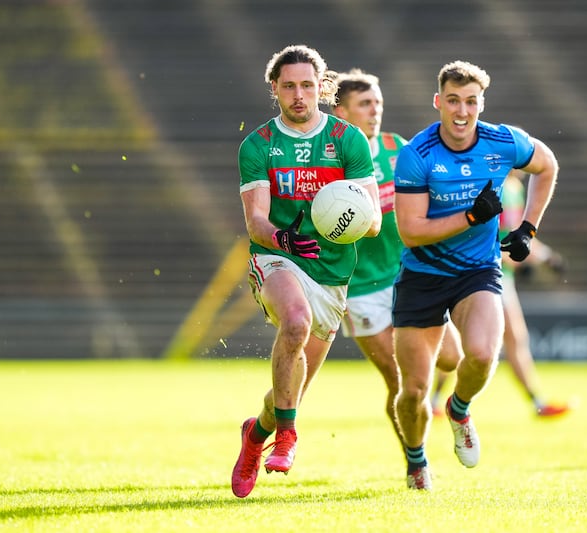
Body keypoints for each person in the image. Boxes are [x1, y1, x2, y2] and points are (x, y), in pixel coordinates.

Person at [392, 60, 559, 490]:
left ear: (481, 104)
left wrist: (529, 228)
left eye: (471, 101)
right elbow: (411, 233)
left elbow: (548, 165)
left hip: (477, 271)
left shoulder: (503, 140)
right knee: (412, 392)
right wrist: (470, 216)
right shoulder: (417, 155)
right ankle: (416, 462)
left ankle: (460, 409)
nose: (462, 111)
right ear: (438, 103)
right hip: (423, 274)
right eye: (453, 101)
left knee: (484, 354)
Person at [231, 44, 382, 499]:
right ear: (274, 88)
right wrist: (284, 240)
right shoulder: (257, 145)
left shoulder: (347, 140)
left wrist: (351, 217)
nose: (299, 95)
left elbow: (373, 220)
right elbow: (256, 222)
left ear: (323, 87)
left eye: (308, 85)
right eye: (289, 86)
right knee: (294, 322)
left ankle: (257, 435)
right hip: (278, 256)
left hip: (332, 271)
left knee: (286, 398)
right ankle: (290, 438)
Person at [331, 69, 463, 454]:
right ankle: (415, 458)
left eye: (378, 103)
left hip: (408, 275)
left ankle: (452, 411)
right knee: (400, 381)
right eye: (365, 104)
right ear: (342, 113)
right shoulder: (331, 161)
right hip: (359, 288)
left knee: (452, 359)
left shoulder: (396, 145)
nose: (375, 112)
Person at [430, 170, 570, 418]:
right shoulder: (499, 188)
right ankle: (536, 402)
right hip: (486, 274)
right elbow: (490, 237)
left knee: (492, 340)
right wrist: (528, 259)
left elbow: (516, 235)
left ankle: (435, 400)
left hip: (501, 275)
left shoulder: (514, 188)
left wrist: (545, 256)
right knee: (504, 339)